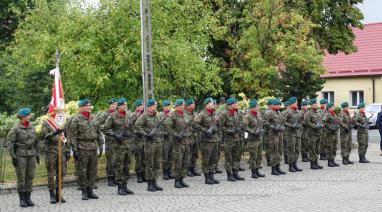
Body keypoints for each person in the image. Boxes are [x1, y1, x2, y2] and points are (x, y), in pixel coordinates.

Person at [70, 99, 103, 200]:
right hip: (82, 147)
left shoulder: (93, 118)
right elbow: (73, 136)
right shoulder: (76, 119)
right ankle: (84, 191)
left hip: (93, 147)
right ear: (81, 107)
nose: (89, 107)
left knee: (92, 170)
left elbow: (98, 133)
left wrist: (101, 144)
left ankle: (90, 190)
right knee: (83, 171)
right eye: (86, 106)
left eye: (89, 105)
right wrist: (74, 149)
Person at [7, 108, 39, 207]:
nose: (30, 116)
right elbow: (10, 143)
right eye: (28, 115)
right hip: (20, 155)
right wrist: (13, 157)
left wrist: (37, 154)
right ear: (22, 117)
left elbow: (36, 141)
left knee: (30, 176)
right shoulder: (15, 128)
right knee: (21, 178)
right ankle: (22, 199)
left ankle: (28, 198)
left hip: (31, 155)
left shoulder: (31, 126)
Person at [102, 97, 134, 195]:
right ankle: (120, 187)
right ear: (119, 106)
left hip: (127, 144)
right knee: (119, 165)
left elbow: (132, 127)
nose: (125, 106)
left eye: (126, 105)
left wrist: (130, 133)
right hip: (118, 145)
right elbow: (105, 129)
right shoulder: (112, 116)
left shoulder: (128, 115)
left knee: (127, 165)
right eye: (123, 105)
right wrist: (115, 135)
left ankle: (125, 185)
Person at [134, 99, 164, 192]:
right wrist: (146, 134)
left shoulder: (157, 116)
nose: (156, 106)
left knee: (157, 163)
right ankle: (150, 183)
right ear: (150, 106)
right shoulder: (144, 116)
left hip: (158, 142)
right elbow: (137, 126)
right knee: (149, 163)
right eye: (154, 105)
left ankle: (154, 181)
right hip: (149, 143)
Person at [41, 116, 70, 203]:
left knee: (62, 172)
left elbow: (67, 136)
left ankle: (58, 193)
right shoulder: (46, 122)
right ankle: (52, 194)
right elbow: (44, 136)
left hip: (62, 149)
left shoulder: (62, 122)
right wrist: (54, 133)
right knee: (51, 173)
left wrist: (68, 149)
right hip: (51, 150)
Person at [164, 99, 192, 188]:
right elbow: (167, 125)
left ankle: (181, 179)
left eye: (184, 105)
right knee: (178, 161)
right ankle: (177, 180)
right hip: (178, 142)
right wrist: (175, 134)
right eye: (182, 105)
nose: (184, 106)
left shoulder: (185, 114)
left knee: (185, 161)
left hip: (186, 141)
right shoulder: (172, 114)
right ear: (178, 105)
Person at [193, 97, 220, 184]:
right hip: (206, 141)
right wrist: (204, 130)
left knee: (214, 159)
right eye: (211, 103)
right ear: (206, 104)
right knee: (206, 160)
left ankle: (212, 175)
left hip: (214, 140)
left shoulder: (214, 114)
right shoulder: (202, 114)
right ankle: (207, 177)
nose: (213, 104)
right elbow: (194, 124)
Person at [219, 97, 245, 181]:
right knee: (229, 157)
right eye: (236, 103)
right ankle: (229, 174)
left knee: (236, 156)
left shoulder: (237, 112)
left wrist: (239, 128)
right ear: (231, 105)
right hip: (229, 139)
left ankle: (235, 172)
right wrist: (229, 131)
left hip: (237, 138)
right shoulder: (224, 114)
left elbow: (242, 122)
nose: (237, 105)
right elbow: (221, 126)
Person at [96, 98, 117, 186]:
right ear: (109, 105)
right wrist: (106, 127)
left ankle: (116, 177)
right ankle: (110, 178)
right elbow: (97, 124)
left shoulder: (117, 114)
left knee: (117, 160)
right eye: (112, 104)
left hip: (117, 140)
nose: (114, 106)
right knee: (111, 160)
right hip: (110, 140)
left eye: (115, 104)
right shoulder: (104, 114)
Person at [242, 99, 266, 178]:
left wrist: (261, 130)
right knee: (253, 156)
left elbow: (261, 124)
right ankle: (253, 172)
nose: (257, 107)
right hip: (252, 139)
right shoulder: (247, 116)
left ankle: (257, 170)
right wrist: (252, 132)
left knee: (259, 156)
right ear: (252, 107)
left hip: (259, 138)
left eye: (257, 106)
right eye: (256, 106)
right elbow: (245, 126)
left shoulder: (258, 114)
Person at [264, 98, 286, 175]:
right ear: (272, 105)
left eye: (279, 104)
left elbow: (282, 121)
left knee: (279, 150)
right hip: (272, 134)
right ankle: (273, 169)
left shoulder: (279, 112)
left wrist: (283, 127)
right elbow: (265, 122)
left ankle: (278, 167)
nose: (278, 106)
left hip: (279, 134)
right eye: (277, 104)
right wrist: (273, 127)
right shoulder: (269, 113)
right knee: (274, 151)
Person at [283, 97, 303, 172]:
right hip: (290, 134)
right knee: (291, 150)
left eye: (296, 102)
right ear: (292, 103)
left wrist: (299, 128)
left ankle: (295, 164)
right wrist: (291, 126)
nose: (296, 103)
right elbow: (283, 122)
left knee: (297, 149)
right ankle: (291, 166)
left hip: (297, 133)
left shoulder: (298, 112)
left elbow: (301, 122)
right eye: (295, 102)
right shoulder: (287, 112)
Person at [304, 99, 323, 170]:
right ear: (311, 105)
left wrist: (321, 125)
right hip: (311, 134)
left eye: (316, 103)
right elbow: (306, 122)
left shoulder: (317, 112)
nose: (316, 105)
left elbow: (320, 120)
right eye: (314, 104)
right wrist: (314, 126)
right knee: (312, 149)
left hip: (318, 133)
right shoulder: (308, 113)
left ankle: (316, 162)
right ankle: (312, 164)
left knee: (317, 149)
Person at [184, 98, 201, 177]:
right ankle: (187, 169)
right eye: (192, 104)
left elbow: (198, 124)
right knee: (188, 154)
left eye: (194, 104)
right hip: (188, 136)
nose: (194, 105)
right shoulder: (184, 114)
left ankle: (193, 168)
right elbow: (188, 124)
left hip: (195, 136)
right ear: (187, 105)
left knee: (195, 154)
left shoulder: (194, 113)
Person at [323, 102, 340, 167]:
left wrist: (337, 126)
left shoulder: (334, 114)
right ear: (329, 108)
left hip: (335, 133)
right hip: (330, 133)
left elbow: (337, 121)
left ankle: (333, 160)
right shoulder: (327, 114)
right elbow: (324, 122)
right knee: (330, 147)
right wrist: (331, 127)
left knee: (334, 147)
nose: (334, 107)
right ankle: (329, 161)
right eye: (333, 106)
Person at [161, 100, 174, 180]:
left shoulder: (172, 115)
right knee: (165, 156)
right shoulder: (160, 115)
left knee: (171, 156)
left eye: (169, 106)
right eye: (166, 106)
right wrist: (163, 133)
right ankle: (165, 172)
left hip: (172, 138)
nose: (168, 107)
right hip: (164, 139)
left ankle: (169, 171)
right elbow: (157, 127)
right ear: (163, 107)